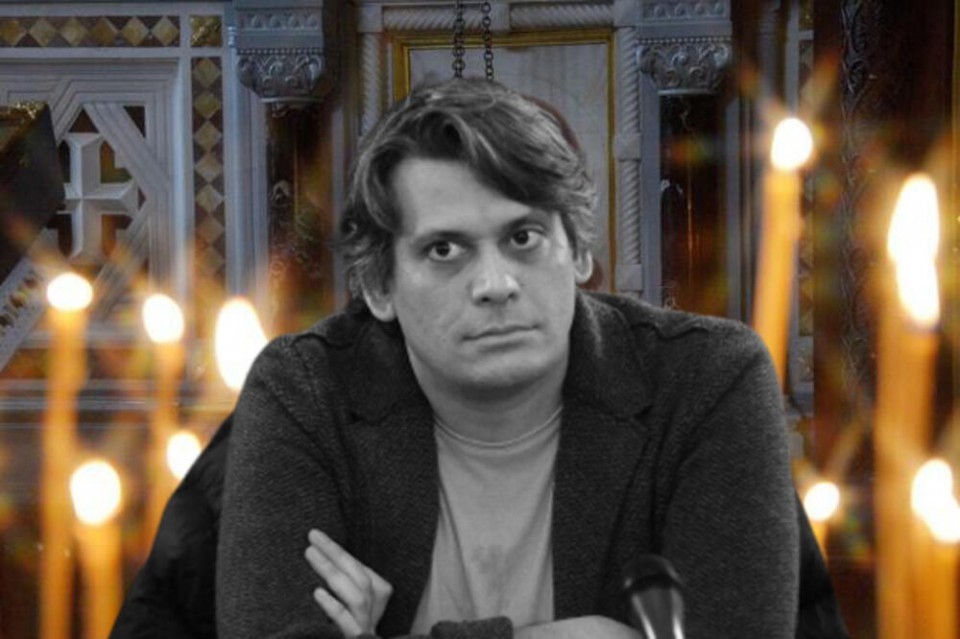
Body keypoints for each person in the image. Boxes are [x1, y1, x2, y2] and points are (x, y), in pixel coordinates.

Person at [215, 77, 800, 639]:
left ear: (578, 251)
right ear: (379, 288)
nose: (496, 285)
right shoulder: (305, 392)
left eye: (523, 238)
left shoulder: (709, 379)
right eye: (444, 249)